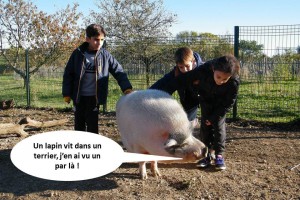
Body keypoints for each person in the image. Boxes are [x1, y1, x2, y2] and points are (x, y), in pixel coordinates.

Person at [161, 54, 240, 170]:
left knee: (218, 126)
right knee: (205, 128)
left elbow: (229, 103)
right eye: (218, 77)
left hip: (220, 105)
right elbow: (186, 78)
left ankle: (219, 155)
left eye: (225, 79)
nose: (221, 81)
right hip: (206, 100)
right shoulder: (204, 70)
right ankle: (207, 155)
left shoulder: (234, 82)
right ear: (213, 69)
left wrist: (213, 118)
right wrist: (163, 90)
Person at [62, 24, 133, 134]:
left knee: (92, 126)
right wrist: (66, 93)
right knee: (79, 125)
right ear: (87, 39)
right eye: (96, 39)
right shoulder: (78, 54)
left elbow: (119, 71)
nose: (99, 43)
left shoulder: (105, 55)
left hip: (94, 98)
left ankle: (93, 148)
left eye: (102, 40)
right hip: (79, 97)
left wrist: (126, 88)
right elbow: (68, 74)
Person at [150, 47, 203, 126]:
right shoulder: (176, 72)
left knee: (208, 120)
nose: (184, 69)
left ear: (193, 61)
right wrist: (148, 92)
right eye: (181, 67)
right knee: (188, 122)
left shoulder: (202, 69)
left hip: (204, 96)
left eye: (187, 66)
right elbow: (163, 82)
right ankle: (191, 123)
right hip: (188, 99)